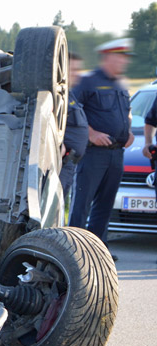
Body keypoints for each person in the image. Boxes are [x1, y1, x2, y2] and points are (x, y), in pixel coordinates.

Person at [68, 38, 135, 256]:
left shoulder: (121, 84)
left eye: (125, 58)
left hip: (116, 153)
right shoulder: (88, 81)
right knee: (82, 203)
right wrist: (91, 133)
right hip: (93, 153)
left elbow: (127, 112)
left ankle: (98, 251)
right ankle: (75, 251)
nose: (123, 62)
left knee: (105, 205)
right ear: (107, 57)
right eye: (119, 57)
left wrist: (129, 130)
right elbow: (72, 110)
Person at [58, 53, 89, 203]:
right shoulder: (55, 97)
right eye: (73, 70)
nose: (77, 74)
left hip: (70, 164)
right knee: (53, 206)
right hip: (60, 164)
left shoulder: (69, 95)